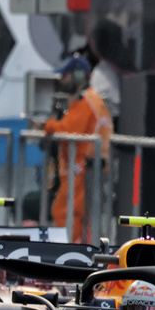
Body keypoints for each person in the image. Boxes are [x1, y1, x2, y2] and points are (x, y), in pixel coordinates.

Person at [41, 55, 113, 243]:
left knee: (66, 213)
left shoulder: (86, 101)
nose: (62, 80)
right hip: (87, 168)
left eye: (66, 75)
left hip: (82, 169)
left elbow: (68, 129)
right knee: (78, 216)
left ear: (79, 75)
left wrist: (47, 125)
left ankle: (67, 257)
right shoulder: (90, 99)